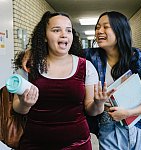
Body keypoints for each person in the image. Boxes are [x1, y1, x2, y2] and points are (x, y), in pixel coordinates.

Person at [22, 11, 141, 150]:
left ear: (120, 30)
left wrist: (129, 113)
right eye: (97, 27)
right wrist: (32, 52)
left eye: (105, 27)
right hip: (108, 126)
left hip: (140, 126)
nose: (99, 31)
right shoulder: (91, 56)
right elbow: (61, 49)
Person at [13, 11, 114, 150]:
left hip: (77, 144)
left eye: (68, 30)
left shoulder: (86, 66)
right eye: (56, 30)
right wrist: (25, 103)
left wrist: (99, 103)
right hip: (34, 143)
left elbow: (92, 111)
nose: (64, 34)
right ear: (44, 37)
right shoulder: (29, 65)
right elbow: (18, 108)